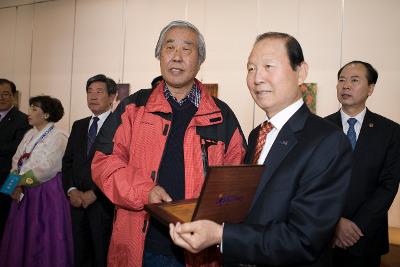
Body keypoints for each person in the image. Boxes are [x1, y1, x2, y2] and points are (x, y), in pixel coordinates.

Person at [169, 32, 353, 267]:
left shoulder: (328, 142)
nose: (257, 78)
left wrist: (221, 235)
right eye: (251, 68)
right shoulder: (259, 133)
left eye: (268, 66)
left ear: (301, 72)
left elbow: (303, 240)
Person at [91, 20, 246, 267]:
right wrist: (145, 191)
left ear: (200, 60)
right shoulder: (133, 107)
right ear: (159, 55)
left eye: (187, 49)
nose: (177, 56)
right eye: (169, 47)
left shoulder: (221, 115)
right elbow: (105, 163)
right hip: (140, 247)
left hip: (199, 249)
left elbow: (236, 181)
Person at [325, 61, 400, 267]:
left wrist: (356, 226)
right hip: (324, 235)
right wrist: (335, 222)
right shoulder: (319, 129)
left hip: (366, 236)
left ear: (371, 88)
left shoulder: (390, 132)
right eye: (341, 80)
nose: (346, 85)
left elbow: (388, 185)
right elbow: (311, 183)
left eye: (354, 80)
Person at [0, 95, 72, 267]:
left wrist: (19, 182)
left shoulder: (59, 136)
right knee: (21, 233)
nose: (29, 113)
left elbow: (48, 168)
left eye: (34, 109)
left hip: (47, 192)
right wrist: (11, 186)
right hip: (23, 190)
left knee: (44, 233)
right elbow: (16, 159)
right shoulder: (29, 134)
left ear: (46, 114)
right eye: (30, 108)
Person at [62, 74, 117, 267]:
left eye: (99, 92)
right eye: (89, 92)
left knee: (101, 255)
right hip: (77, 203)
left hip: (103, 205)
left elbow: (118, 166)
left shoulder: (119, 126)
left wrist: (95, 193)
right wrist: (71, 190)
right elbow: (67, 162)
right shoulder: (79, 125)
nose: (93, 96)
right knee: (80, 254)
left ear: (111, 97)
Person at [0, 79, 30, 240]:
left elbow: (17, 148)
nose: (1, 98)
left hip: (7, 179)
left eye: (6, 94)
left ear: (13, 96)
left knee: (4, 224)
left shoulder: (22, 119)